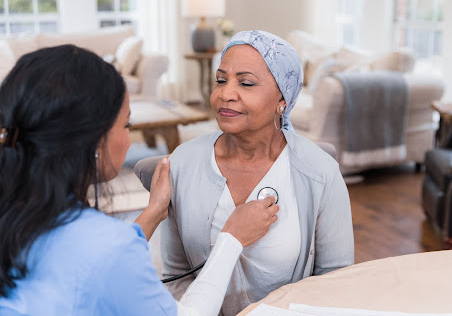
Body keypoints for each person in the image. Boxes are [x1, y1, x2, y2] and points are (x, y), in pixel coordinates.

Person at [0, 45, 279, 316]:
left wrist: (154, 211)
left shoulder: (22, 211)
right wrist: (231, 238)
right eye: (127, 125)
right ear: (94, 141)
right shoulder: (106, 247)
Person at [161, 30, 354, 316]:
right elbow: (176, 276)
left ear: (283, 99)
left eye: (246, 83)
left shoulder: (320, 173)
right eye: (221, 80)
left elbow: (335, 283)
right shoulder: (183, 163)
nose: (226, 94)